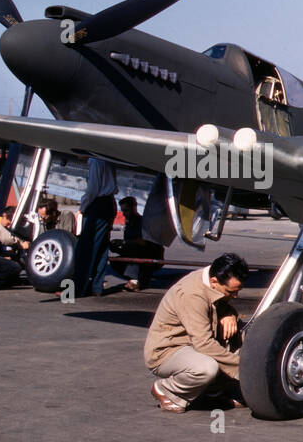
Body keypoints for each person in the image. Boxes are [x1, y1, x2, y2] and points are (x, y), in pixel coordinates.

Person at [143, 252, 249, 412]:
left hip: (194, 343)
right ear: (214, 281)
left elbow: (215, 305)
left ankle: (214, 392)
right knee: (206, 368)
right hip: (168, 350)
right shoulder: (192, 294)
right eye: (230, 292)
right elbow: (204, 344)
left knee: (242, 336)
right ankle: (168, 391)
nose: (235, 296)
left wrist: (229, 313)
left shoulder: (213, 281)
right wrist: (245, 368)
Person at [71, 156, 117, 296]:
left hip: (98, 204)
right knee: (102, 247)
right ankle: (97, 287)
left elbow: (92, 189)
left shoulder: (95, 161)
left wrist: (82, 208)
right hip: (109, 203)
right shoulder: (107, 159)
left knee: (85, 248)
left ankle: (76, 289)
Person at [114, 195, 165, 291]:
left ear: (134, 207)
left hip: (150, 254)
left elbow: (143, 242)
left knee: (135, 249)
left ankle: (135, 280)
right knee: (116, 261)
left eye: (126, 210)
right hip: (138, 253)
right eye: (122, 211)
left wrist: (124, 242)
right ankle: (140, 279)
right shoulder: (129, 224)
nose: (124, 214)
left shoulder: (142, 222)